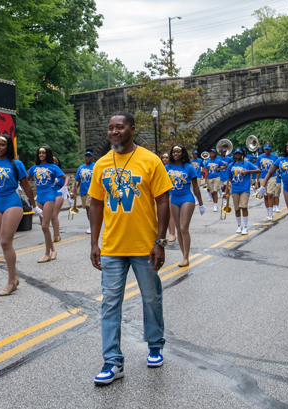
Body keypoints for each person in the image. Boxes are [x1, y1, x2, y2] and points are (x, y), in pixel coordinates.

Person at [89, 111, 173, 386]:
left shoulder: (150, 161)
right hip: (113, 247)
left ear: (132, 129)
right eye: (110, 128)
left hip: (144, 246)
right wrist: (94, 242)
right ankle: (112, 362)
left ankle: (155, 345)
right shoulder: (101, 164)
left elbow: (163, 201)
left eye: (120, 127)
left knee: (151, 297)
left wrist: (159, 242)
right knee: (110, 304)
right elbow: (96, 204)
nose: (114, 132)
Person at [0, 134, 40, 296]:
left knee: (6, 241)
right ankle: (14, 278)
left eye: (2, 145)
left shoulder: (15, 164)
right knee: (4, 243)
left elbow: (26, 185)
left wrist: (34, 205)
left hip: (12, 203)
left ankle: (11, 281)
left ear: (8, 147)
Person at [165, 145, 206, 266]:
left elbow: (195, 187)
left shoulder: (189, 167)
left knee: (183, 228)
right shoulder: (167, 168)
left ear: (182, 153)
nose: (176, 154)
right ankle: (183, 255)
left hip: (186, 198)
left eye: (178, 152)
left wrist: (201, 203)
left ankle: (186, 256)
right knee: (178, 229)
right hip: (174, 199)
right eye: (174, 152)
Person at [28, 146, 69, 263]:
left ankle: (47, 254)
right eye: (39, 153)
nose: (41, 155)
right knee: (44, 227)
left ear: (48, 154)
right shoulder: (34, 168)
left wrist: (65, 187)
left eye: (43, 153)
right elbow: (25, 179)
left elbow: (66, 177)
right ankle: (53, 250)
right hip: (39, 198)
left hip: (49, 197)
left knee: (45, 226)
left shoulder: (53, 167)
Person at [226, 148, 260, 234]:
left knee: (244, 207)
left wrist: (247, 172)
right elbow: (229, 178)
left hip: (244, 188)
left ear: (242, 155)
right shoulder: (231, 165)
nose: (238, 155)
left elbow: (258, 170)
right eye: (236, 154)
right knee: (237, 208)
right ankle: (238, 226)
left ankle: (245, 226)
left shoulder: (247, 164)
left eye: (239, 154)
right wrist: (226, 191)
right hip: (235, 189)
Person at [72, 150, 94, 234]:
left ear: (92, 157)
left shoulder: (95, 166)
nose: (88, 158)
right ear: (85, 157)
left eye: (90, 156)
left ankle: (92, 225)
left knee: (89, 206)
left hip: (92, 190)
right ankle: (91, 224)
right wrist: (74, 191)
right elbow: (77, 181)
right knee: (87, 208)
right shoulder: (81, 168)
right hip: (83, 191)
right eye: (87, 156)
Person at [256, 142, 279, 220]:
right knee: (265, 195)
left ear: (270, 149)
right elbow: (258, 169)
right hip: (262, 177)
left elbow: (277, 167)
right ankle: (268, 211)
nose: (267, 151)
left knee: (270, 194)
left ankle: (271, 212)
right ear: (264, 149)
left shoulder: (275, 157)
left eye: (268, 149)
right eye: (266, 149)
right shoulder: (260, 157)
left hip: (272, 176)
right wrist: (256, 181)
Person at [161, 152, 177, 242]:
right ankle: (170, 233)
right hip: (163, 192)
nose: (165, 159)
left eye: (166, 157)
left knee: (170, 212)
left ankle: (172, 233)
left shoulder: (171, 167)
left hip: (172, 191)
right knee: (165, 212)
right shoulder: (162, 168)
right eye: (163, 157)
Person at [51, 156, 65, 242]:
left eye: (55, 161)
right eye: (52, 161)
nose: (53, 163)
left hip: (58, 193)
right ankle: (51, 234)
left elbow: (65, 184)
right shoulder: (47, 172)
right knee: (48, 216)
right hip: (49, 195)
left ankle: (56, 235)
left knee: (54, 215)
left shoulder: (60, 173)